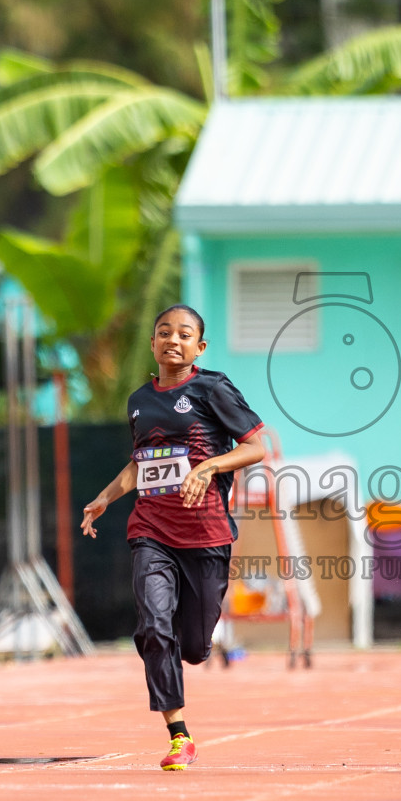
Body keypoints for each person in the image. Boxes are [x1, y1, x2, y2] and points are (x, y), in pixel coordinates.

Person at [81, 304, 266, 771]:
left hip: (206, 533)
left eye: (184, 334)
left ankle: (192, 648)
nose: (173, 340)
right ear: (152, 344)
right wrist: (105, 497)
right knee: (153, 625)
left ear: (199, 347)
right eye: (164, 332)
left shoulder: (212, 388)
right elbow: (141, 463)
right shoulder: (139, 400)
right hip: (152, 530)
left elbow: (256, 447)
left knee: (195, 647)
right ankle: (178, 733)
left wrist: (207, 466)